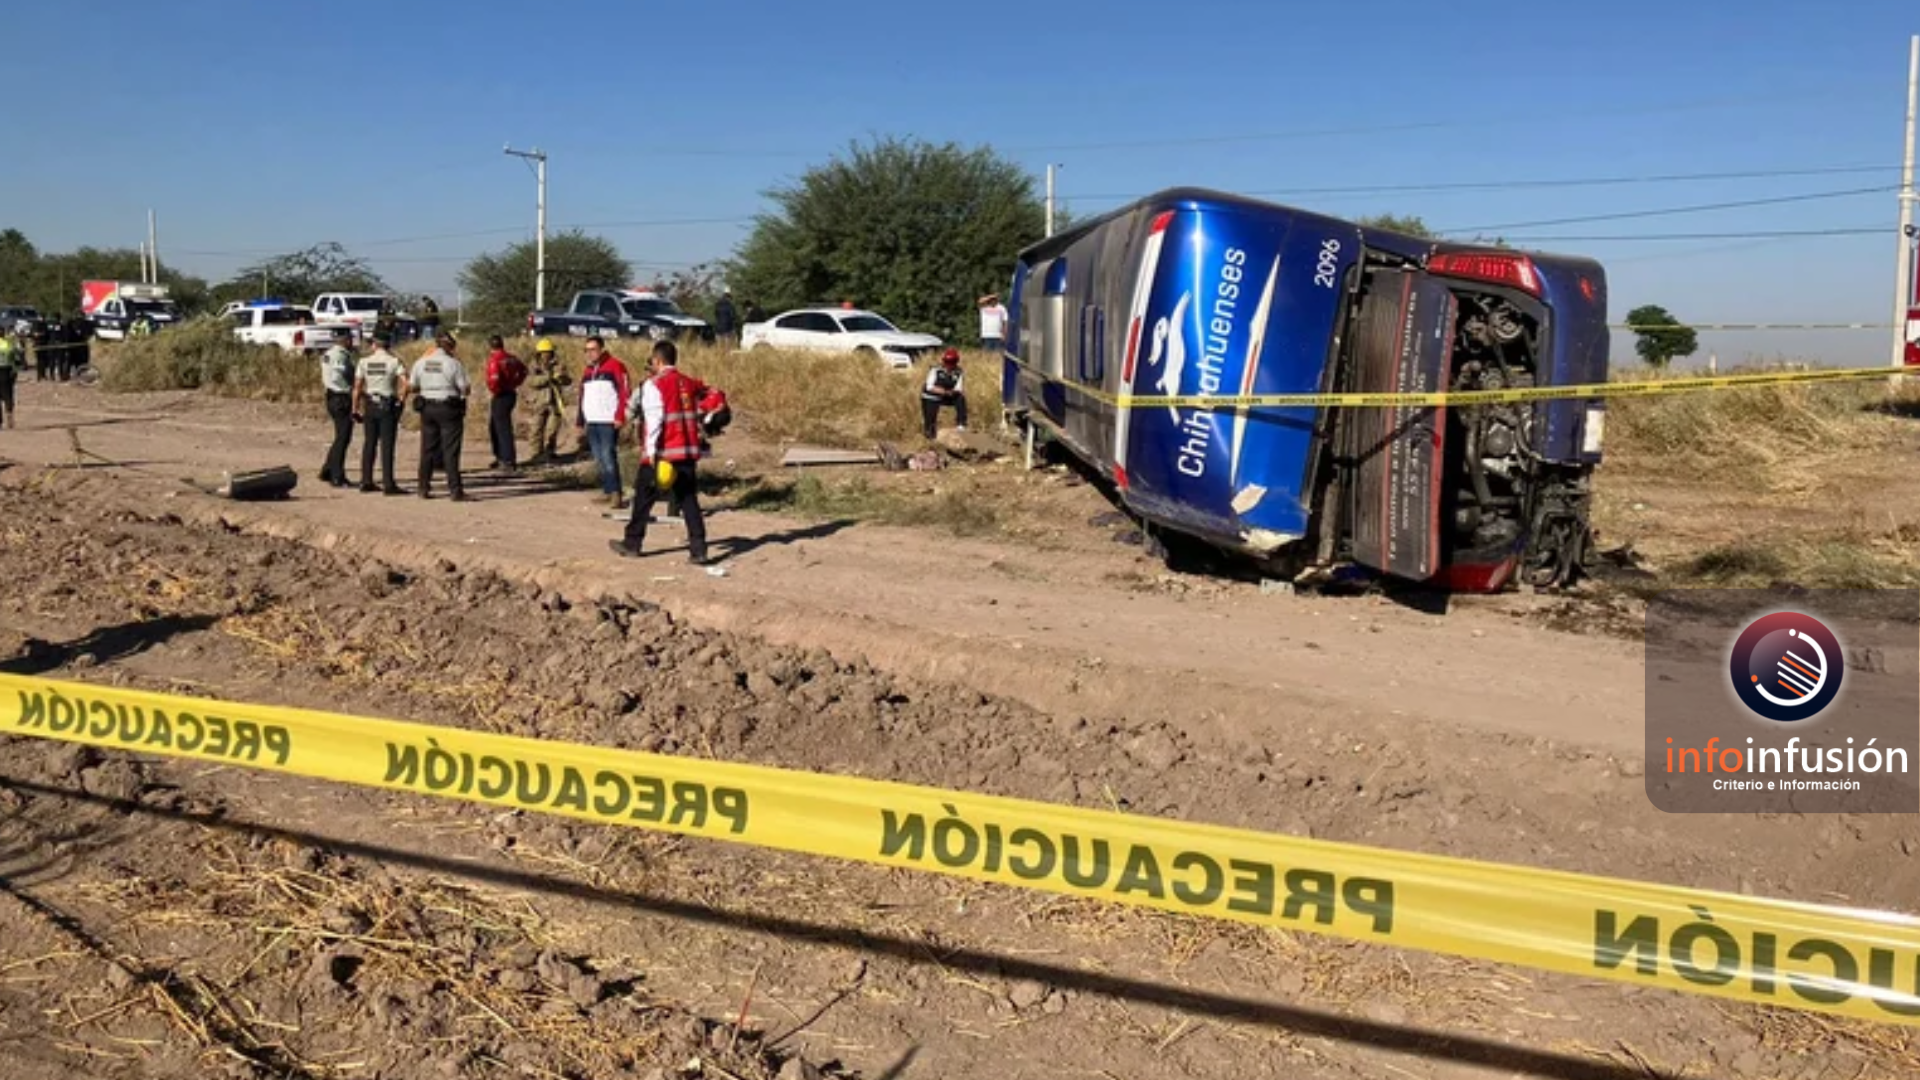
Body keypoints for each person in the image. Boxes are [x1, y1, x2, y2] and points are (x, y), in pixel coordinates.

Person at [609, 340, 710, 565]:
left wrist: (651, 452)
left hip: (664, 452)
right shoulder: (688, 382)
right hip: (687, 452)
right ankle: (699, 548)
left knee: (643, 498)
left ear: (658, 360)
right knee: (688, 500)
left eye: (652, 361)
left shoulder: (654, 385)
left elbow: (654, 420)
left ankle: (632, 543)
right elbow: (709, 398)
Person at [409, 332, 472, 501]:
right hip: (448, 408)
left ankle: (423, 487)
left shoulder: (420, 362)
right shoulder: (453, 363)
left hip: (427, 408)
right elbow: (465, 388)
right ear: (450, 347)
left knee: (427, 449)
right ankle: (455, 490)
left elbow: (412, 387)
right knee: (450, 450)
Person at [575, 336, 631, 509]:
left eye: (593, 349)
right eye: (587, 350)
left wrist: (621, 415)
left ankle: (616, 494)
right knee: (599, 457)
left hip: (608, 419)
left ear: (601, 349)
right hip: (592, 420)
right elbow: (582, 397)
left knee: (608, 456)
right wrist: (580, 420)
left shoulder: (615, 366)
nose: (590, 353)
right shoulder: (587, 371)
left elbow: (624, 392)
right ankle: (608, 490)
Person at [353, 332, 409, 495]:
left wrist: (354, 408)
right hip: (387, 405)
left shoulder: (364, 362)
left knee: (369, 443)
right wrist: (401, 401)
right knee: (387, 445)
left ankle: (366, 480)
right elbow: (405, 383)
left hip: (370, 404)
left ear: (374, 345)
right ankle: (388, 483)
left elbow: (357, 387)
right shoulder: (394, 361)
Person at [319, 329, 357, 488]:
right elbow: (338, 375)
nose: (352, 342)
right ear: (345, 340)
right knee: (343, 437)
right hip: (341, 397)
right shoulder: (341, 355)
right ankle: (337, 476)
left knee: (340, 435)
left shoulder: (328, 353)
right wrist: (349, 389)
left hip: (331, 396)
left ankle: (327, 469)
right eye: (350, 339)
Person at [484, 334, 528, 471]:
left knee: (502, 428)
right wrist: (516, 383)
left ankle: (508, 460)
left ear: (490, 346)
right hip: (510, 393)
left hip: (501, 395)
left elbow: (494, 379)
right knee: (494, 426)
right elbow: (524, 370)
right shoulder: (512, 358)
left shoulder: (495, 360)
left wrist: (495, 390)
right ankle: (500, 456)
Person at [524, 338, 571, 464]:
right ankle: (535, 455)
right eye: (544, 352)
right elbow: (531, 382)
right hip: (538, 403)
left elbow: (568, 381)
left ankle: (549, 453)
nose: (546, 355)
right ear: (539, 353)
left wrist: (561, 379)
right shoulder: (533, 366)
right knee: (536, 430)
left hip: (554, 403)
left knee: (552, 430)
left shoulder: (559, 365)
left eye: (548, 352)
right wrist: (548, 378)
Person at [921, 347, 968, 439]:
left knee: (960, 398)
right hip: (931, 396)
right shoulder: (935, 370)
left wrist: (952, 392)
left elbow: (959, 388)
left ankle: (961, 425)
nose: (949, 365)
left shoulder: (958, 372)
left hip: (947, 395)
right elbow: (929, 387)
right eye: (947, 362)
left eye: (952, 362)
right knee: (930, 420)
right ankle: (930, 436)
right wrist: (944, 391)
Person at [0, 331, 17, 429]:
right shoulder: (8, 344)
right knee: (8, 395)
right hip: (6, 371)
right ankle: (9, 416)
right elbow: (15, 358)